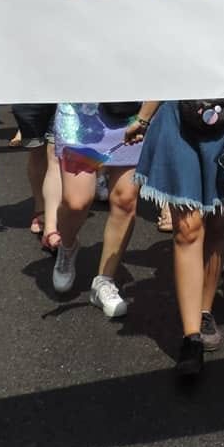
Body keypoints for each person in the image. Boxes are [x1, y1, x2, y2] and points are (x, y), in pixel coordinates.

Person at [127, 96, 224, 376]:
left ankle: (204, 311)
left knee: (217, 222)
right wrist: (143, 118)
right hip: (178, 115)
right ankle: (191, 337)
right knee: (187, 230)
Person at [51, 103, 145, 319]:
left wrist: (145, 115)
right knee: (77, 202)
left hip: (131, 110)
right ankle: (67, 246)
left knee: (126, 200)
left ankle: (104, 280)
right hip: (80, 112)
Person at [10, 104, 62, 251]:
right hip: (29, 98)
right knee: (37, 151)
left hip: (63, 98)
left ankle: (52, 219)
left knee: (55, 154)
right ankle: (40, 207)